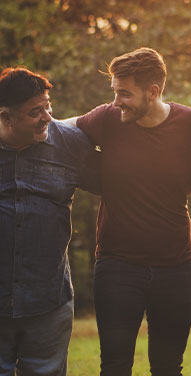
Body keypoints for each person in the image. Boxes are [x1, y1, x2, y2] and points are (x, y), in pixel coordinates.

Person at [66, 47, 191, 375]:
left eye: (124, 93)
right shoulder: (107, 118)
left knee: (168, 366)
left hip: (177, 268)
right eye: (115, 92)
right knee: (114, 365)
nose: (117, 102)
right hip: (117, 267)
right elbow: (58, 130)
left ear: (153, 92)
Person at [0, 67, 99, 375]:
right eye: (34, 112)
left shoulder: (70, 144)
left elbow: (123, 179)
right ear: (6, 117)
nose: (46, 117)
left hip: (48, 298)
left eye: (48, 106)